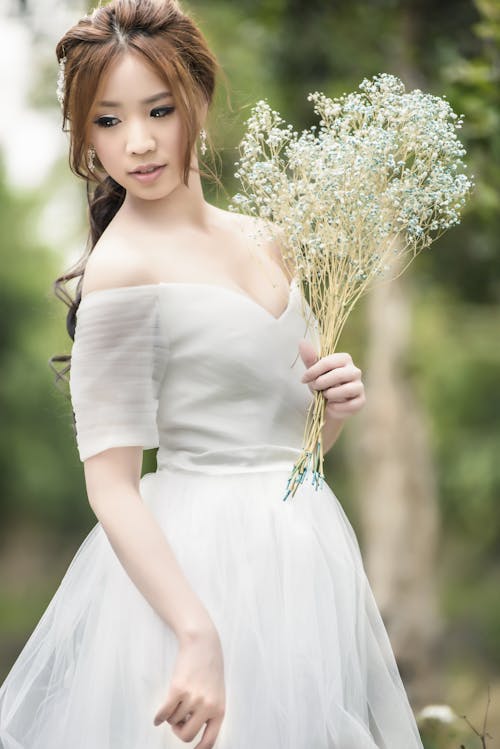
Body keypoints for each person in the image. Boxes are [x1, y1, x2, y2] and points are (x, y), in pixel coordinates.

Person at [0, 1, 425, 748]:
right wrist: (195, 630)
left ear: (197, 95)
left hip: (299, 557)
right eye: (107, 121)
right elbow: (109, 484)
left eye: (158, 110)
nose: (136, 142)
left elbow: (282, 452)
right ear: (83, 134)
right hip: (193, 572)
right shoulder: (123, 270)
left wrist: (336, 411)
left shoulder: (271, 240)